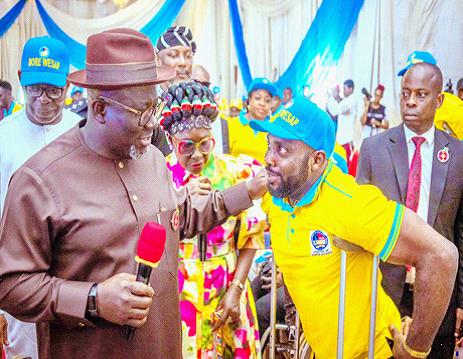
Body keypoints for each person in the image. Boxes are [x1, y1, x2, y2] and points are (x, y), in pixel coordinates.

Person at [0, 28, 268, 359]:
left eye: (156, 107)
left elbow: (177, 217)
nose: (155, 123)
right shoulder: (39, 180)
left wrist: (248, 190)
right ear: (99, 109)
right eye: (142, 112)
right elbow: (11, 285)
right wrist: (93, 299)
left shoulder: (153, 159)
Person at [249, 96, 458, 359]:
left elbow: (441, 256)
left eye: (283, 150)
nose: (268, 158)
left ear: (316, 160)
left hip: (367, 352)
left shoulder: (348, 202)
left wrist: (414, 350)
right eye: (269, 144)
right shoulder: (280, 193)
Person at [357, 61, 463, 358]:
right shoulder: (373, 148)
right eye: (405, 94)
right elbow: (359, 225)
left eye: (421, 94)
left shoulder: (458, 155)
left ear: (439, 100)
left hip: (439, 294)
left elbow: (461, 232)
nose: (411, 102)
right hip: (382, 291)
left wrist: (462, 301)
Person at [161, 83, 264, 358]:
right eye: (187, 146)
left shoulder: (234, 172)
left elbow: (251, 237)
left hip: (229, 287)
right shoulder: (158, 178)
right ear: (171, 141)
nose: (198, 155)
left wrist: (237, 289)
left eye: (205, 143)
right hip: (179, 295)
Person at [0, 36, 81, 359]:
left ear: (68, 85)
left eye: (53, 89)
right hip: (19, 281)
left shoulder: (84, 134)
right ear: (21, 79)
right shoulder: (3, 138)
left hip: (77, 280)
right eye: (35, 88)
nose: (43, 100)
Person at [152, 26, 197, 156]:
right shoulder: (148, 103)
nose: (183, 63)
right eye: (173, 55)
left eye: (188, 56)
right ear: (158, 60)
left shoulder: (201, 102)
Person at [228, 78, 277, 164]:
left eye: (267, 100)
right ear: (249, 100)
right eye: (258, 98)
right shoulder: (231, 125)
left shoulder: (273, 130)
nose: (262, 104)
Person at [327, 79, 358, 167]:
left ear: (351, 89)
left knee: (346, 166)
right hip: (340, 139)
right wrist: (331, 98)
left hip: (348, 139)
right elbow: (333, 112)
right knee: (339, 166)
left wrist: (332, 97)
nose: (343, 91)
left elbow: (337, 110)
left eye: (345, 89)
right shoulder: (345, 100)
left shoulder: (353, 100)